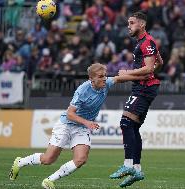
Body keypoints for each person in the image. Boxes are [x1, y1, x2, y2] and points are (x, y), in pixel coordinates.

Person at [8, 63, 148, 189]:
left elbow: (119, 78)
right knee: (48, 159)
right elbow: (70, 114)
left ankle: (49, 181)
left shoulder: (106, 83)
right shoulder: (82, 91)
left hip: (81, 128)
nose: (104, 79)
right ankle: (20, 162)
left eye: (105, 75)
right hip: (66, 125)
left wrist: (142, 75)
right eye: (100, 76)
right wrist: (87, 122)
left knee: (81, 159)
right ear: (91, 79)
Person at [109, 11, 163, 188]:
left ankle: (127, 166)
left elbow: (148, 69)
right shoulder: (144, 42)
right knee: (133, 126)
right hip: (142, 86)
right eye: (128, 23)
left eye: (132, 23)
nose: (129, 26)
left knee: (125, 123)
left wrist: (128, 73)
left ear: (142, 24)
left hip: (144, 88)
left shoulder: (147, 42)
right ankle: (137, 169)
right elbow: (159, 63)